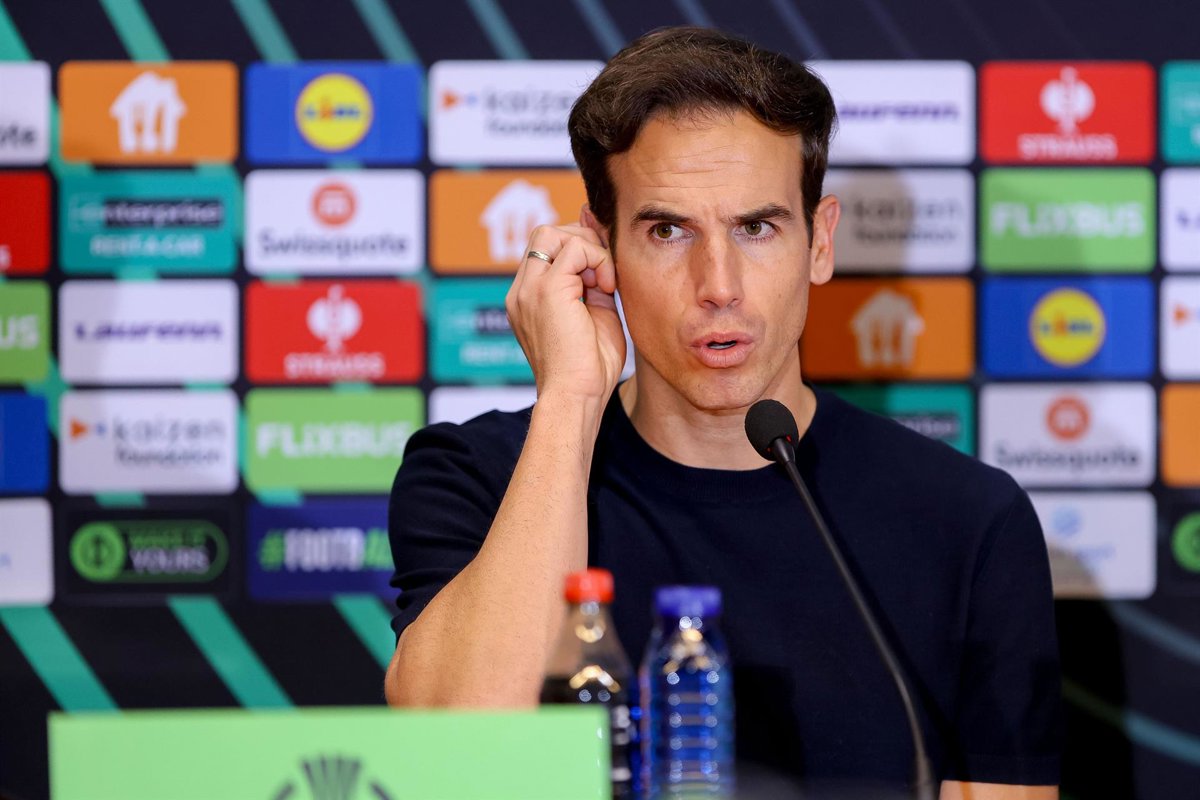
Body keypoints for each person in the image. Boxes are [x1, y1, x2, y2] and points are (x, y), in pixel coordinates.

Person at [385, 26, 1061, 800]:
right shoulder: (478, 475)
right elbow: (457, 756)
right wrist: (570, 398)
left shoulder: (966, 518)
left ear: (820, 242)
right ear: (600, 249)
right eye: (668, 230)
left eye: (757, 227)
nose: (719, 286)